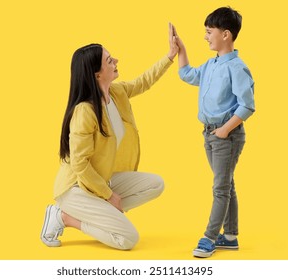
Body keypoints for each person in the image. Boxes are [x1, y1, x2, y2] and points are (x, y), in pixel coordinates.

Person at [40, 24, 179, 250]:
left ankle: (103, 215)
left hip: (100, 179)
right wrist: (108, 195)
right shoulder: (84, 111)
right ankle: (65, 217)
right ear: (97, 74)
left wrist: (170, 56)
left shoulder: (115, 93)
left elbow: (144, 81)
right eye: (109, 60)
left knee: (156, 184)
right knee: (127, 239)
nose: (116, 60)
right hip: (76, 189)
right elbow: (80, 164)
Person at [172, 7, 255, 257]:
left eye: (209, 32)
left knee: (220, 188)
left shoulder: (237, 68)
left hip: (226, 137)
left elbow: (247, 105)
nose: (206, 37)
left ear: (226, 35)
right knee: (226, 185)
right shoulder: (211, 65)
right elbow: (187, 74)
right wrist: (181, 49)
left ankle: (209, 237)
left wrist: (224, 131)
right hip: (209, 134)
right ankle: (229, 237)